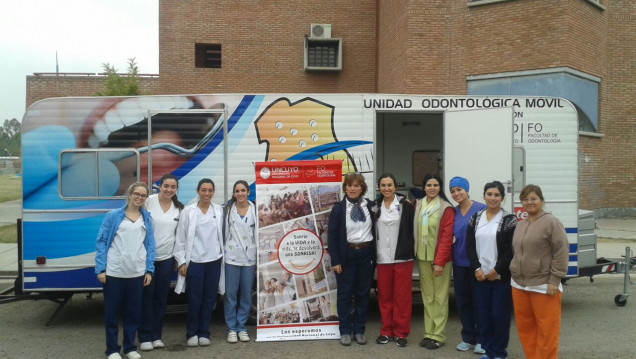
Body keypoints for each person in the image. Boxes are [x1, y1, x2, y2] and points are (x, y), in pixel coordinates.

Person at [95, 182, 156, 359]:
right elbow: (101, 242)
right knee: (112, 314)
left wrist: (149, 270)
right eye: (136, 194)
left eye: (143, 196)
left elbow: (150, 245)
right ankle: (112, 349)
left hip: (136, 273)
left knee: (133, 313)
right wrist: (101, 269)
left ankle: (130, 348)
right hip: (114, 273)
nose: (139, 198)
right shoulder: (113, 216)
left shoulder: (146, 218)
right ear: (129, 195)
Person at [510, 184, 569, 359]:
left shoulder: (551, 222)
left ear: (542, 201)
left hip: (543, 285)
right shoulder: (521, 224)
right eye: (526, 199)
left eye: (534, 198)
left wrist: (554, 280)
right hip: (519, 285)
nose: (529, 202)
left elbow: (561, 251)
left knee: (547, 331)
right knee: (526, 329)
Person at [466, 181, 517, 359]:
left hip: (500, 277)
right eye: (489, 194)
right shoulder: (475, 218)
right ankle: (488, 350)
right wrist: (476, 269)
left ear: (502, 198)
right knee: (483, 315)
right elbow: (470, 246)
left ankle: (499, 352)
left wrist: (497, 270)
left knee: (499, 315)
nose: (492, 198)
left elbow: (510, 250)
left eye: (496, 195)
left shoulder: (509, 220)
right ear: (484, 196)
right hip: (480, 277)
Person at [173, 178, 224, 347]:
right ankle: (192, 333)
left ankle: (204, 332)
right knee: (195, 299)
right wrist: (181, 262)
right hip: (194, 261)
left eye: (210, 190)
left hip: (214, 261)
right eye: (203, 190)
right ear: (198, 191)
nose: (207, 193)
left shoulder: (218, 210)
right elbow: (180, 238)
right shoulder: (188, 211)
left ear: (213, 192)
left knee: (210, 299)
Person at [327, 172, 376, 346]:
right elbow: (332, 236)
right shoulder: (339, 209)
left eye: (356, 185)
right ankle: (345, 331)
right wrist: (336, 261)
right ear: (345, 188)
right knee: (345, 294)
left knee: (363, 294)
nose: (352, 188)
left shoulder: (371, 205)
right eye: (349, 185)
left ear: (362, 188)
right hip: (347, 255)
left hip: (366, 253)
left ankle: (360, 330)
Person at [138, 174, 184, 351]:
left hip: (166, 260)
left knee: (160, 298)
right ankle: (144, 337)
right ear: (160, 186)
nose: (169, 190)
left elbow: (179, 236)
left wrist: (176, 259)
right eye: (166, 186)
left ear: (176, 190)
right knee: (146, 298)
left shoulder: (178, 208)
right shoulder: (148, 201)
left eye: (173, 187)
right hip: (146, 259)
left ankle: (156, 336)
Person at [373, 173, 414, 348]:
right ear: (379, 188)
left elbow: (413, 229)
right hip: (383, 258)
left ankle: (400, 332)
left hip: (403, 257)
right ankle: (386, 331)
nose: (387, 188)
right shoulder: (374, 207)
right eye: (383, 185)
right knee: (385, 297)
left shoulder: (406, 205)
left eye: (390, 185)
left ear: (395, 187)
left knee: (402, 297)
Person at [414, 173, 454, 350]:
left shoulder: (446, 208)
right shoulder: (417, 205)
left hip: (440, 260)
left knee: (440, 297)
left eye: (435, 185)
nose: (432, 188)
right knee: (427, 297)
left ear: (440, 188)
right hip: (423, 257)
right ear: (424, 187)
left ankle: (438, 335)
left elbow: (446, 237)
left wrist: (440, 261)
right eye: (429, 185)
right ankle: (428, 333)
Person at [449, 176, 487, 354]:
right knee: (463, 302)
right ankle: (468, 337)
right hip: (459, 263)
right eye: (453, 191)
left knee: (479, 301)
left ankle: (482, 339)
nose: (456, 193)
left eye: (459, 190)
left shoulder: (481, 209)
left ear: (466, 190)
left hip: (477, 265)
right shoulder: (452, 212)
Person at [223, 180, 257, 344]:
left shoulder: (255, 209)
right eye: (237, 191)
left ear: (248, 192)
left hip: (249, 258)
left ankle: (241, 327)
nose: (240, 193)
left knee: (246, 295)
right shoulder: (228, 210)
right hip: (231, 257)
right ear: (234, 193)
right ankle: (231, 328)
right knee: (230, 294)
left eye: (243, 190)